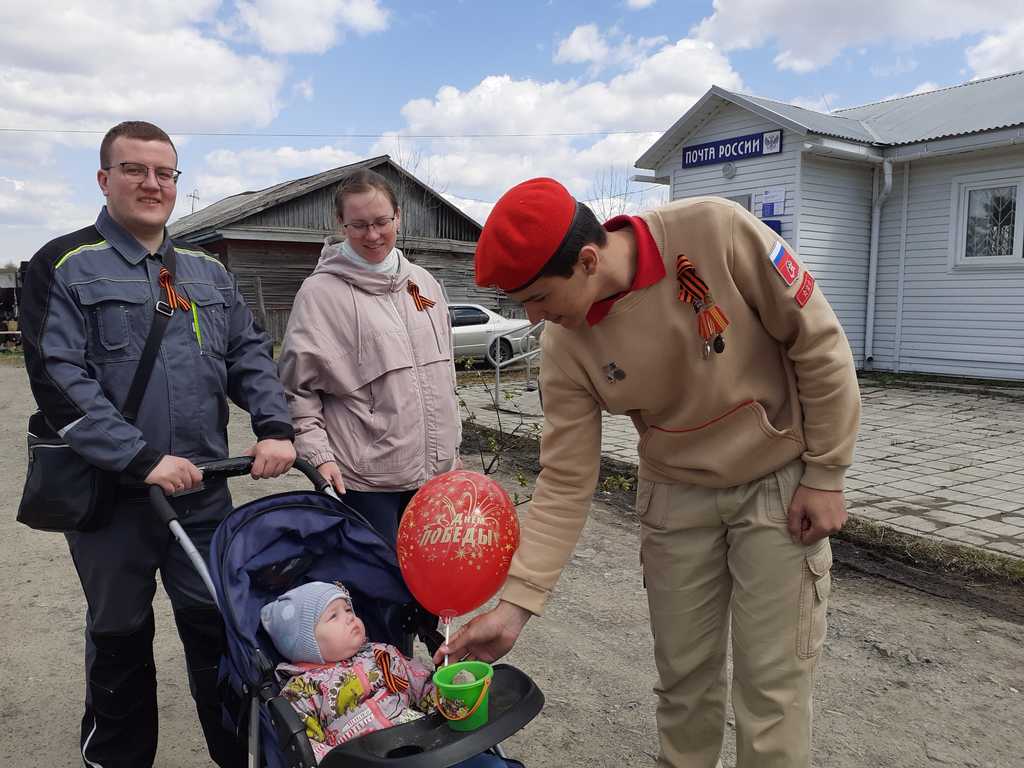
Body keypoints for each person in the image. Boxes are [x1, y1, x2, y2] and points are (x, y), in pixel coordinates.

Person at [439, 178, 861, 768]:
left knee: (772, 688)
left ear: (588, 260)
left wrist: (827, 473)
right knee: (683, 682)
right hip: (675, 497)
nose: (532, 317)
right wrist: (516, 605)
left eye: (535, 297)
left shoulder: (715, 231)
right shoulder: (564, 346)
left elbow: (818, 343)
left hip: (775, 485)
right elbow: (564, 478)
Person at [20, 120, 297, 768]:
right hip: (114, 503)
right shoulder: (61, 264)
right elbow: (60, 380)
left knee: (222, 635)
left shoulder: (206, 272)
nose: (152, 183)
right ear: (103, 179)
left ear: (176, 182)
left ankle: (245, 754)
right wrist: (141, 458)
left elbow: (249, 356)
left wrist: (274, 425)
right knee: (119, 639)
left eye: (165, 172)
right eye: (134, 169)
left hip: (202, 499)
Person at [278, 169, 460, 561]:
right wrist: (318, 455)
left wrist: (453, 450)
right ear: (341, 225)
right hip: (364, 480)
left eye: (381, 222)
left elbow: (444, 376)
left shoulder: (424, 284)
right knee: (377, 592)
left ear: (399, 216)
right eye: (358, 225)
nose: (373, 235)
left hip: (435, 474)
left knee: (431, 585)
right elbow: (298, 390)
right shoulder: (320, 294)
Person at [261, 581, 510, 767]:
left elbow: (420, 686)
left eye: (349, 610)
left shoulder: (382, 654)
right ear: (305, 644)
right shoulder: (301, 691)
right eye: (334, 616)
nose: (350, 618)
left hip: (422, 742)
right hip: (367, 759)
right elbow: (307, 747)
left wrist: (447, 689)